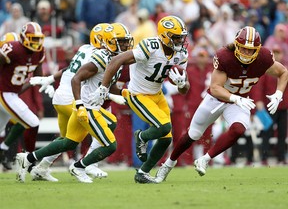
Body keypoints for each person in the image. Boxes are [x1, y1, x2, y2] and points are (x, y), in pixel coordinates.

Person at [155, 26, 288, 182]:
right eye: (243, 49)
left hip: (239, 101)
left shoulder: (264, 57)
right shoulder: (225, 56)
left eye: (251, 50)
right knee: (193, 134)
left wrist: (279, 93)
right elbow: (215, 88)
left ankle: (205, 159)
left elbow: (283, 72)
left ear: (258, 50)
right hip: (216, 99)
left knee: (239, 129)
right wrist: (235, 98)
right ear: (237, 46)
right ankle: (168, 164)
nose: (246, 53)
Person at [15, 23, 134, 183]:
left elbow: (72, 70)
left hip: (65, 98)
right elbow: (77, 76)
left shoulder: (93, 51)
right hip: (76, 101)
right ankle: (84, 165)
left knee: (68, 141)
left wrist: (125, 94)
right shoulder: (99, 56)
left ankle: (32, 161)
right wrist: (79, 104)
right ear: (106, 40)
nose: (125, 45)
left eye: (126, 41)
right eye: (121, 41)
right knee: (107, 130)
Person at [94, 15, 190, 183]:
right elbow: (117, 59)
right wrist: (103, 86)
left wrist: (182, 83)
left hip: (157, 95)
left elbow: (184, 90)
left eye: (182, 37)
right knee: (164, 126)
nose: (180, 41)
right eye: (177, 37)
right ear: (165, 36)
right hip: (137, 94)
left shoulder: (181, 54)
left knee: (166, 138)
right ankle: (141, 137)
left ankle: (143, 173)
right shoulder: (151, 46)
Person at [0, 22, 46, 168]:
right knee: (32, 122)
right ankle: (30, 162)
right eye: (33, 39)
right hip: (3, 92)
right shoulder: (13, 49)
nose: (36, 43)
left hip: (12, 93)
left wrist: (45, 81)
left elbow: (37, 78)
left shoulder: (39, 52)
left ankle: (6, 150)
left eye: (38, 39)